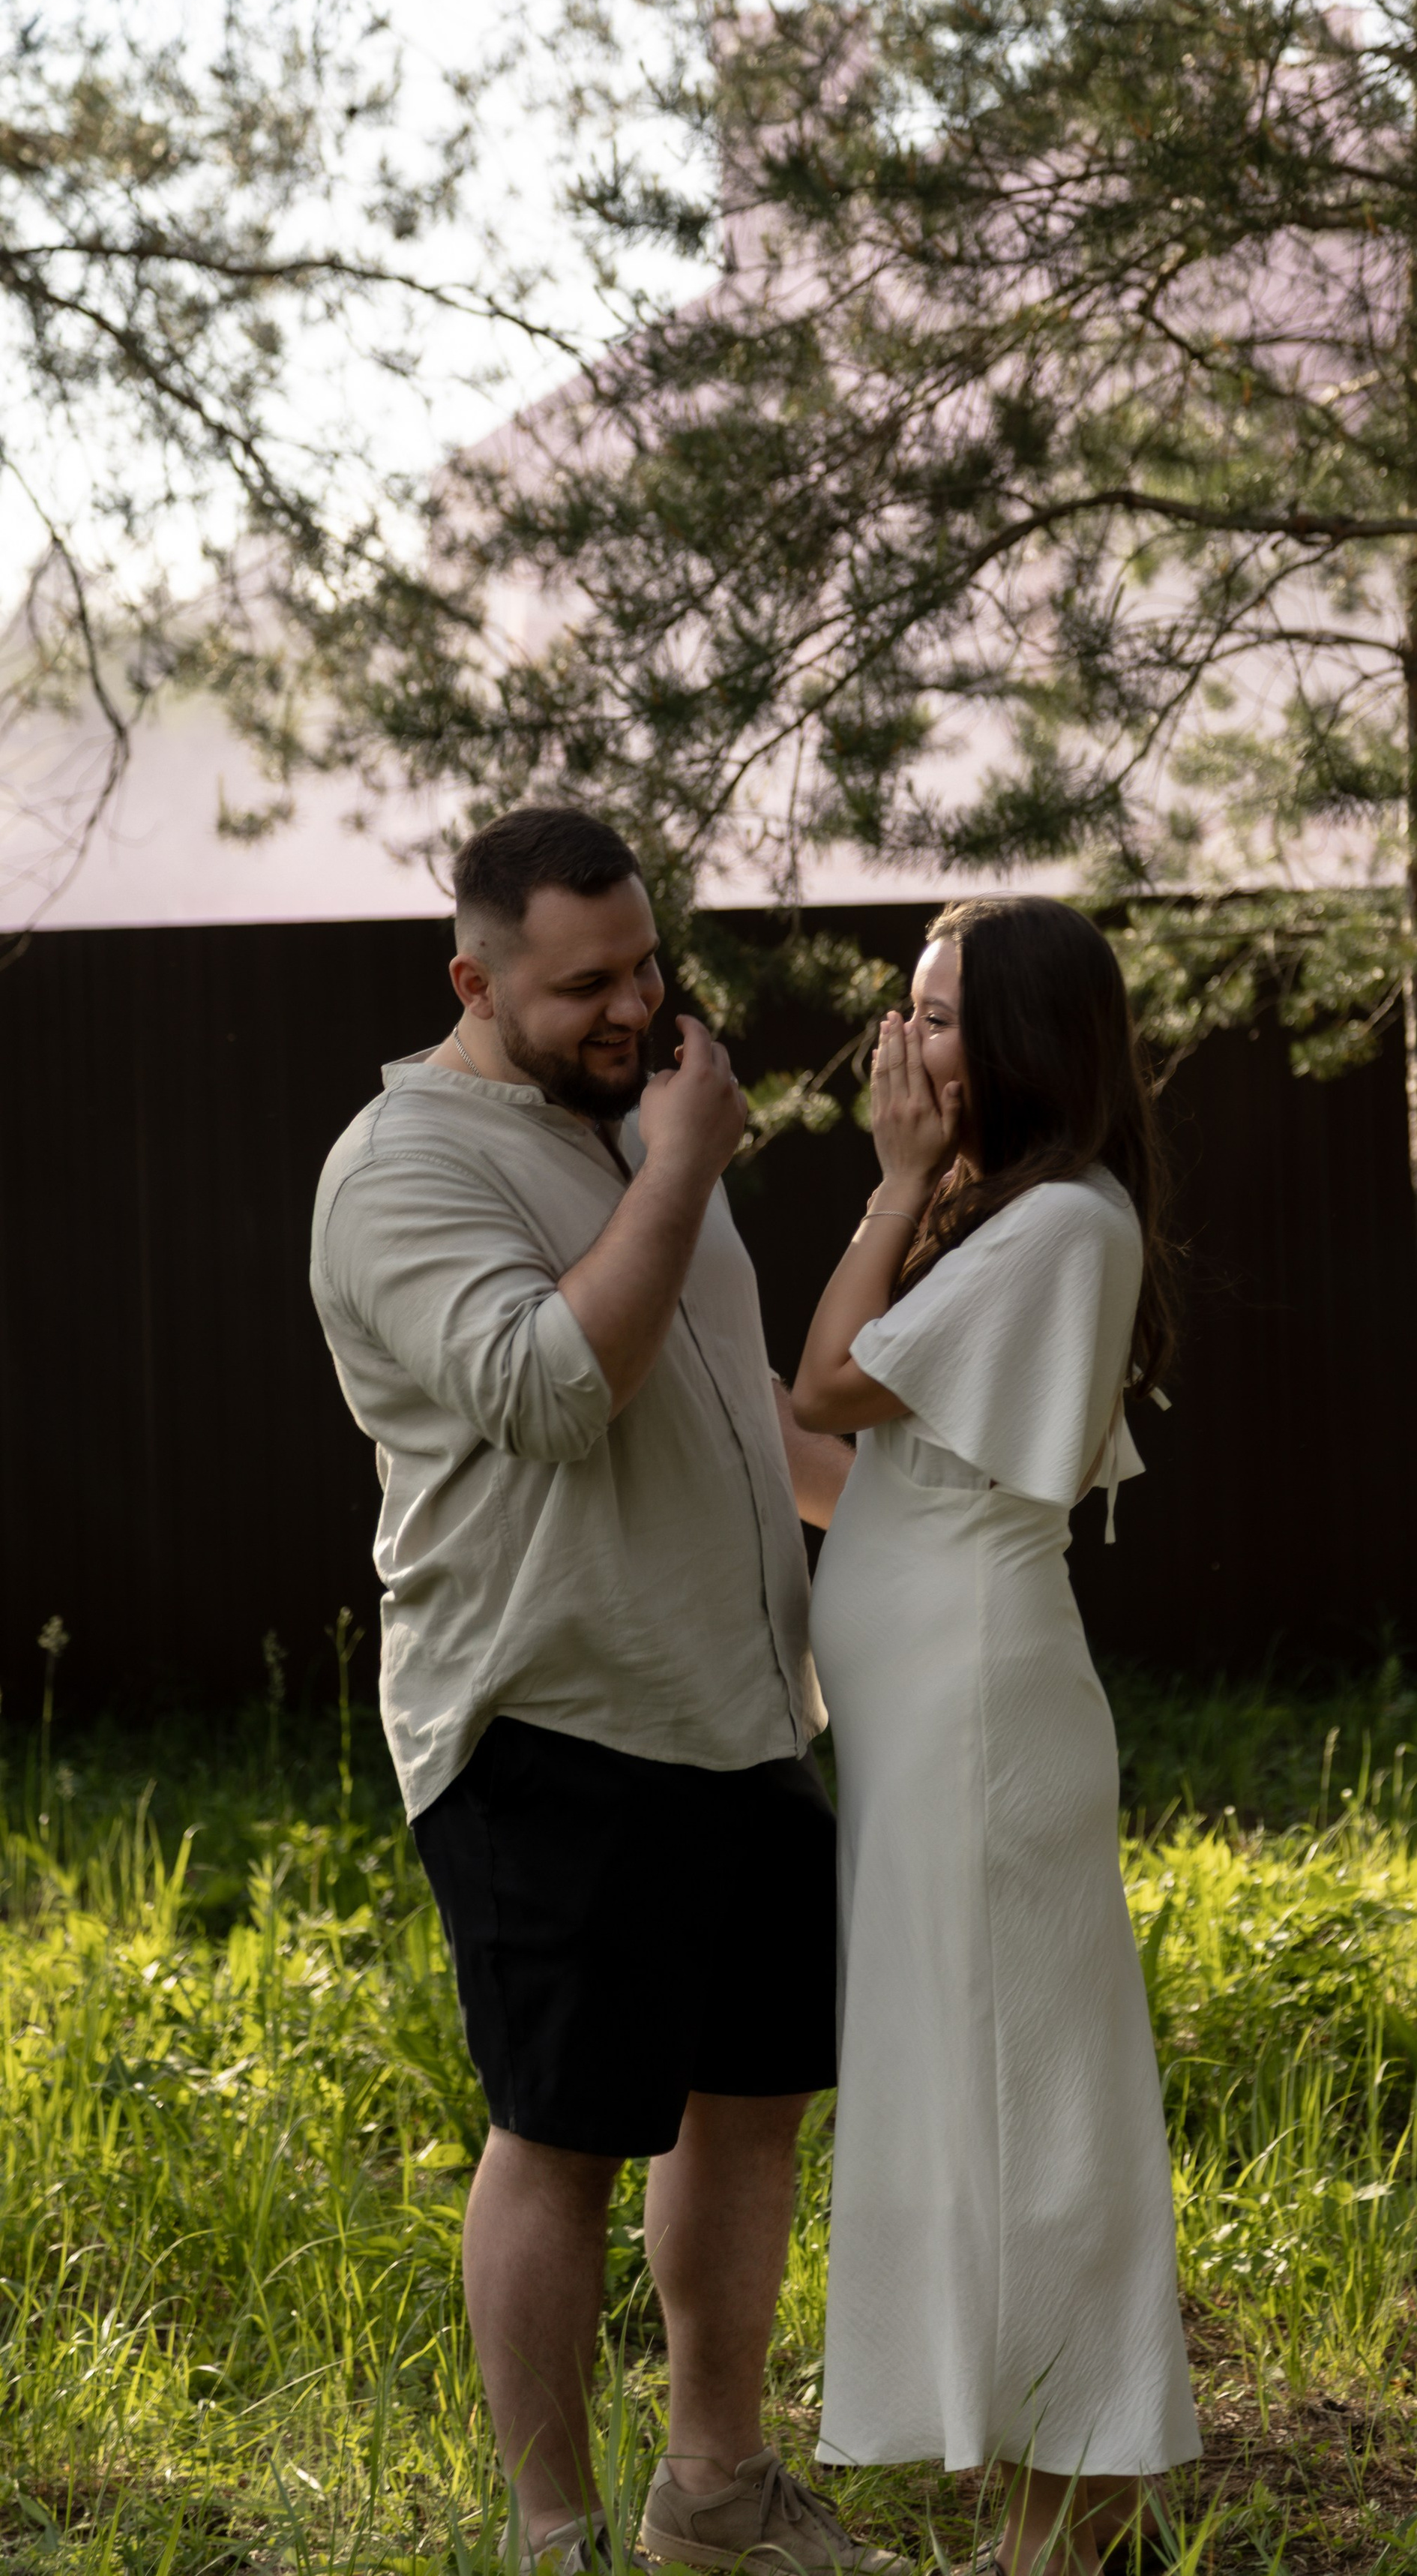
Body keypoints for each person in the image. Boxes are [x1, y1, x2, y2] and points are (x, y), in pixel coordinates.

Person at [310, 804, 896, 2576]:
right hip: (552, 1719)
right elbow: (555, 1390)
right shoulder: (404, 1168)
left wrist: (947, 1549)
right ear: (474, 981)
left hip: (740, 1707)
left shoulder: (636, 1140)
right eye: (584, 985)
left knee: (745, 2109)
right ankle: (556, 2539)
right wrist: (680, 1171)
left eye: (645, 961)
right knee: (561, 2134)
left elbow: (748, 1417)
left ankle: (713, 2496)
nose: (635, 1004)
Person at [789, 895, 1200, 2576]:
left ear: (1028, 1037)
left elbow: (822, 1391)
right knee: (971, 2104)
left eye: (945, 1014)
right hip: (918, 1728)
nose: (910, 1044)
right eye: (911, 1008)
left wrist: (886, 1189)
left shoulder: (1057, 1233)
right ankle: (1049, 2505)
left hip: (977, 1725)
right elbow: (855, 1480)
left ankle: (1071, 2511)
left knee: (1033, 2111)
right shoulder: (1009, 1222)